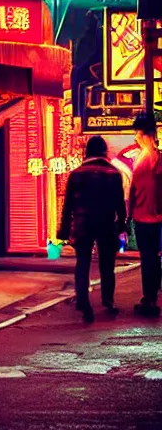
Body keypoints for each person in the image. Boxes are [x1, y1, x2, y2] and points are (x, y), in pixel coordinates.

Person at [58, 136, 127, 323]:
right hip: (106, 222)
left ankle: (83, 301)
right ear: (103, 151)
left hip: (83, 223)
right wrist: (122, 224)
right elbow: (119, 203)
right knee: (107, 263)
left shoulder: (76, 174)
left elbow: (68, 205)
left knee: (83, 262)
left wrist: (63, 229)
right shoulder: (113, 173)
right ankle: (108, 300)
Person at [129, 112, 162, 317]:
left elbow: (134, 190)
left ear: (145, 134)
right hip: (153, 217)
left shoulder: (148, 159)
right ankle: (150, 296)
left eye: (137, 133)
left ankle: (149, 298)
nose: (135, 138)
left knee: (148, 259)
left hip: (145, 217)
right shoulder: (154, 158)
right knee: (152, 259)